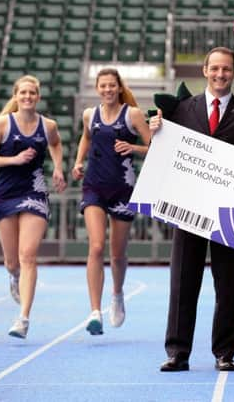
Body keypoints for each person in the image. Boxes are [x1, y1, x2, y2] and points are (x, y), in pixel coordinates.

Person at [149, 46, 234, 372]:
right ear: (204, 70)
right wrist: (155, 129)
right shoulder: (183, 109)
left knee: (227, 286)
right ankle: (177, 352)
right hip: (188, 210)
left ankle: (225, 353)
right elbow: (164, 151)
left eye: (226, 69)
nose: (220, 74)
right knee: (183, 284)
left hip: (229, 216)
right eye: (214, 68)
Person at [0, 75, 67, 338]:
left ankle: (23, 318)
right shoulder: (2, 124)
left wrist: (58, 168)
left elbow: (56, 143)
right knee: (12, 261)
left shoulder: (48, 125)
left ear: (38, 97)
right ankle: (14, 277)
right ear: (16, 96)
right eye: (23, 93)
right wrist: (14, 159)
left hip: (35, 192)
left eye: (32, 93)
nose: (27, 97)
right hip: (5, 193)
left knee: (28, 255)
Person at [71, 68, 151, 336]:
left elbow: (155, 146)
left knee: (117, 254)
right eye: (102, 86)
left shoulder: (133, 115)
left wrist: (135, 148)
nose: (107, 90)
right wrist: (79, 161)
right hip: (93, 186)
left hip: (123, 189)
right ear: (97, 88)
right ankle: (95, 312)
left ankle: (116, 294)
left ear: (119, 88)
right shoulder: (89, 115)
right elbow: (86, 136)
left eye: (111, 86)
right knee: (96, 246)